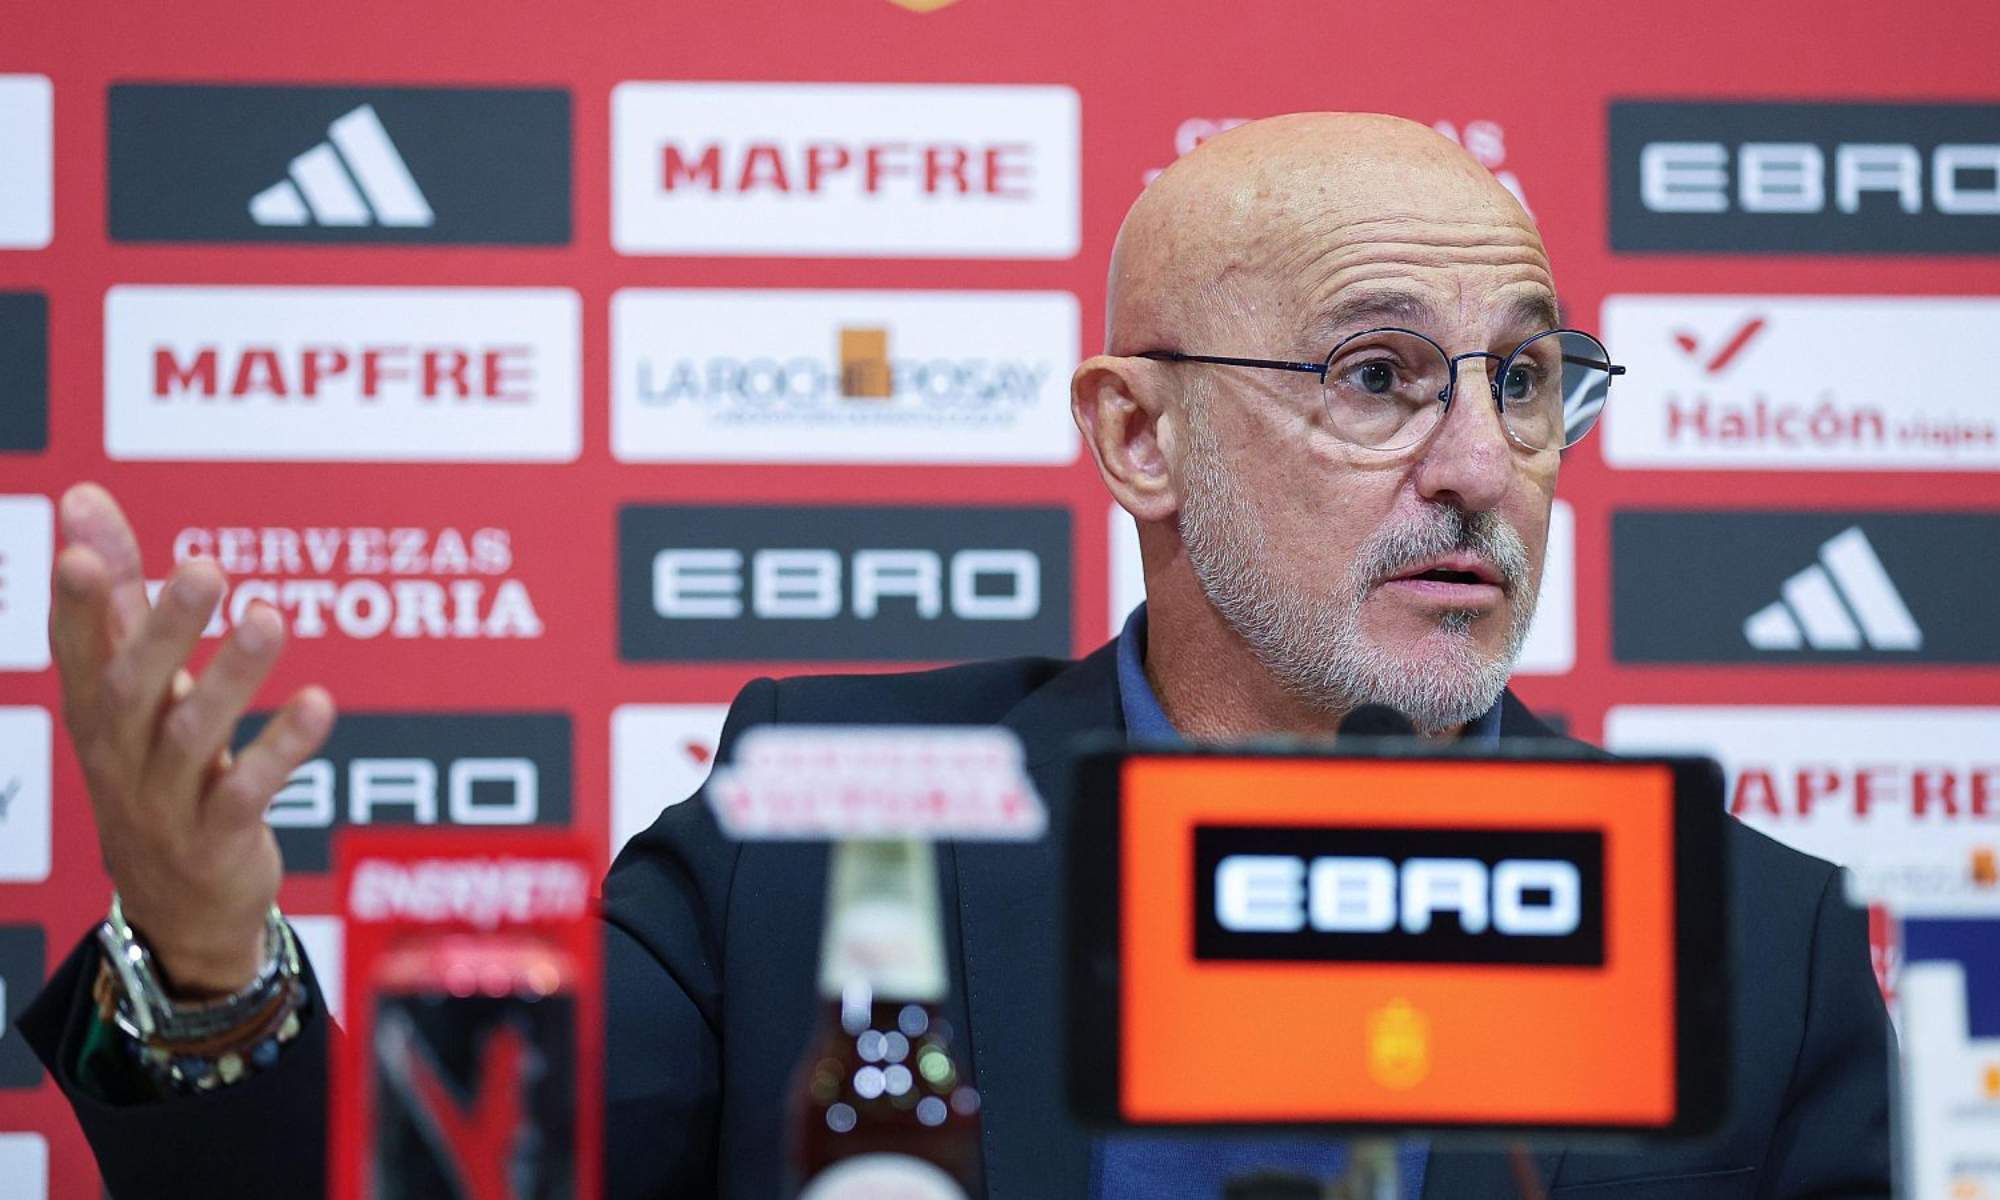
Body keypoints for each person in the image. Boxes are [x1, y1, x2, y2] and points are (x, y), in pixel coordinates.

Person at [21, 113, 1890, 1198]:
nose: (1481, 461)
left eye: (1529, 378)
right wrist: (207, 963)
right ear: (1138, 437)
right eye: (1380, 374)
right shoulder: (818, 826)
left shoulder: (1759, 935)